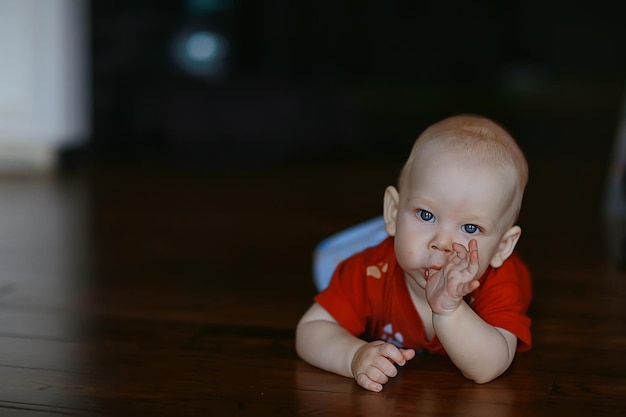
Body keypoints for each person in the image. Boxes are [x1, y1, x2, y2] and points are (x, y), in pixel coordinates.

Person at [296, 114, 532, 392]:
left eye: (470, 227)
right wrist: (352, 355)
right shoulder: (371, 271)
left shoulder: (498, 281)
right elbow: (310, 330)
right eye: (426, 214)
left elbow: (489, 367)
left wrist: (449, 311)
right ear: (393, 212)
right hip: (386, 245)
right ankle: (379, 231)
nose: (442, 242)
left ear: (502, 247)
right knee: (333, 264)